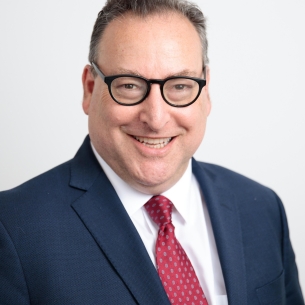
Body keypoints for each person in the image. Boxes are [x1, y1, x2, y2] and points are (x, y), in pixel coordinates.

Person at [0, 0, 303, 304]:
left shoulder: (262, 209)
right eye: (129, 85)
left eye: (180, 86)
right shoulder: (14, 229)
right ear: (90, 89)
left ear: (206, 91)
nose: (156, 119)